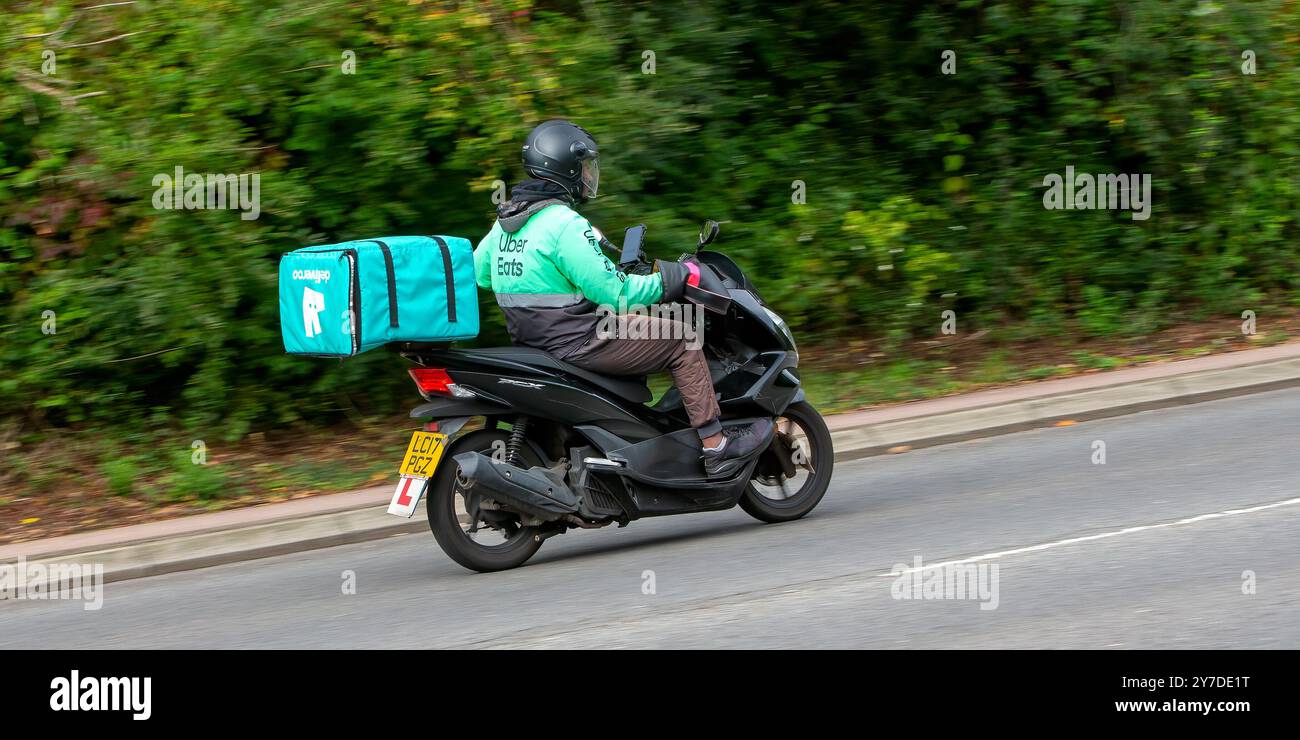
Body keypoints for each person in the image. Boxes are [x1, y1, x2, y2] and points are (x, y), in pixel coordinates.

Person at [473, 119, 770, 476]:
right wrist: (671, 279)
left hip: (533, 339)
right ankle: (715, 445)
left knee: (641, 328)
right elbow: (618, 294)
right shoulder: (563, 223)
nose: (588, 175)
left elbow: (482, 275)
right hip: (577, 339)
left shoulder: (505, 222)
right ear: (565, 167)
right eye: (584, 166)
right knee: (682, 337)